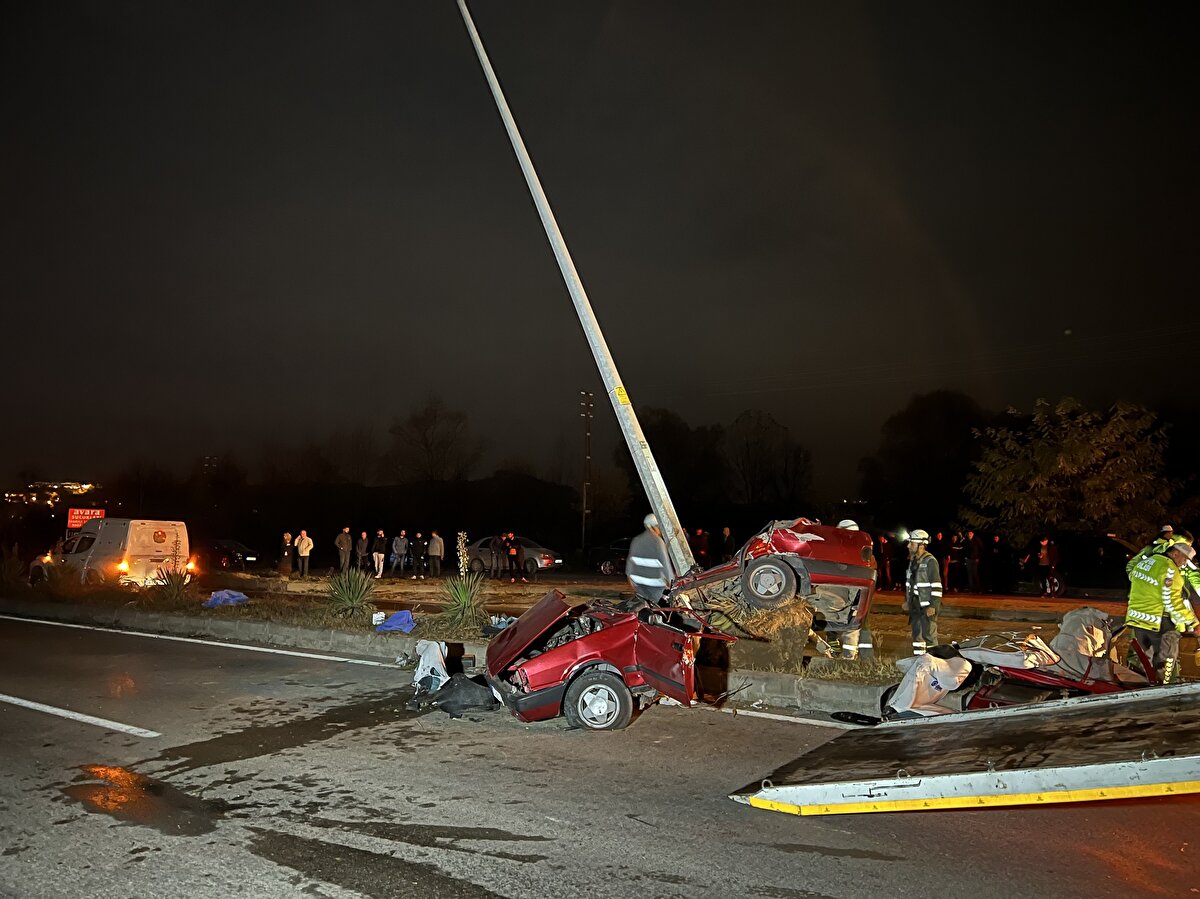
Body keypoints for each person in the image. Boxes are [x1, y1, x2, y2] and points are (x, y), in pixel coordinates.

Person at [1125, 540, 1199, 684]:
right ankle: (1162, 690)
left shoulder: (1145, 563)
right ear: (1175, 553)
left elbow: (1131, 575)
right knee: (1166, 660)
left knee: (1141, 661)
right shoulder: (1170, 570)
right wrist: (1193, 622)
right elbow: (1172, 603)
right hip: (1158, 622)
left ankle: (1135, 688)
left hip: (1137, 620)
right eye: (1184, 559)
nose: (1184, 564)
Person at [902, 528, 941, 655]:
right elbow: (909, 584)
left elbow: (936, 587)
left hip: (927, 606)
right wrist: (907, 601)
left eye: (911, 543)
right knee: (917, 636)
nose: (908, 546)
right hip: (915, 605)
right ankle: (919, 660)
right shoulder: (913, 562)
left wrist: (933, 606)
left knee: (929, 636)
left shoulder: (930, 561)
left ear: (921, 545)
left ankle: (933, 662)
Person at [625, 513, 676, 605]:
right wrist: (672, 582)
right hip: (655, 586)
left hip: (639, 585)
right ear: (654, 526)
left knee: (644, 609)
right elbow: (665, 564)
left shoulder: (636, 540)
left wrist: (630, 578)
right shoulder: (658, 541)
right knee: (660, 610)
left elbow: (630, 562)